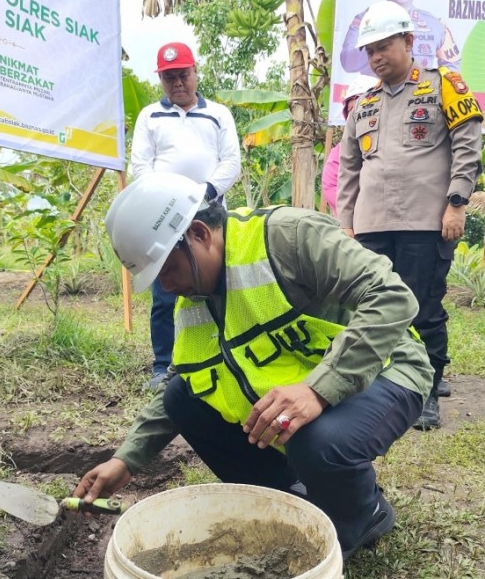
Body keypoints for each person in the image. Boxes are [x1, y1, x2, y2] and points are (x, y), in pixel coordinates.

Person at [74, 173, 434, 559]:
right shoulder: (195, 297)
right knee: (182, 397)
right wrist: (126, 459)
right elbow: (184, 381)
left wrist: (318, 390)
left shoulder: (289, 236)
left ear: (198, 234)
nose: (166, 287)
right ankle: (290, 503)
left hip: (387, 369)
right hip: (299, 386)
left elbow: (392, 296)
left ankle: (363, 515)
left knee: (317, 442)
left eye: (166, 269)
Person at [336, 1, 483, 429]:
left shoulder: (443, 86)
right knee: (370, 306)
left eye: (385, 46)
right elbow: (348, 168)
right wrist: (345, 223)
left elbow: (468, 145)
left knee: (423, 308)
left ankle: (428, 390)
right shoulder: (362, 105)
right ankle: (377, 381)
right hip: (371, 227)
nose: (378, 56)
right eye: (370, 50)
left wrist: (456, 203)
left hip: (425, 222)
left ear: (408, 41)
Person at [130, 42, 241, 390]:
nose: (177, 83)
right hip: (163, 215)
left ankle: (219, 357)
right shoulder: (150, 115)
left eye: (183, 75)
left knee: (213, 285)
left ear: (195, 73)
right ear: (161, 80)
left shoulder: (218, 114)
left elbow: (231, 163)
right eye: (169, 78)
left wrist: (203, 193)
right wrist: (168, 199)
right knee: (166, 290)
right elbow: (140, 167)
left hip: (208, 214)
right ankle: (164, 366)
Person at [341, 0, 461, 76]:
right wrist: (376, 40)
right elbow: (347, 63)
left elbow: (452, 64)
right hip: (376, 100)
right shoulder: (364, 20)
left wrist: (438, 88)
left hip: (421, 98)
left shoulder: (433, 23)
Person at [322, 74, 378, 216]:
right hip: (353, 224)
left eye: (362, 110)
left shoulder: (392, 143)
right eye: (352, 111)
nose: (357, 116)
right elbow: (331, 187)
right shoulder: (338, 153)